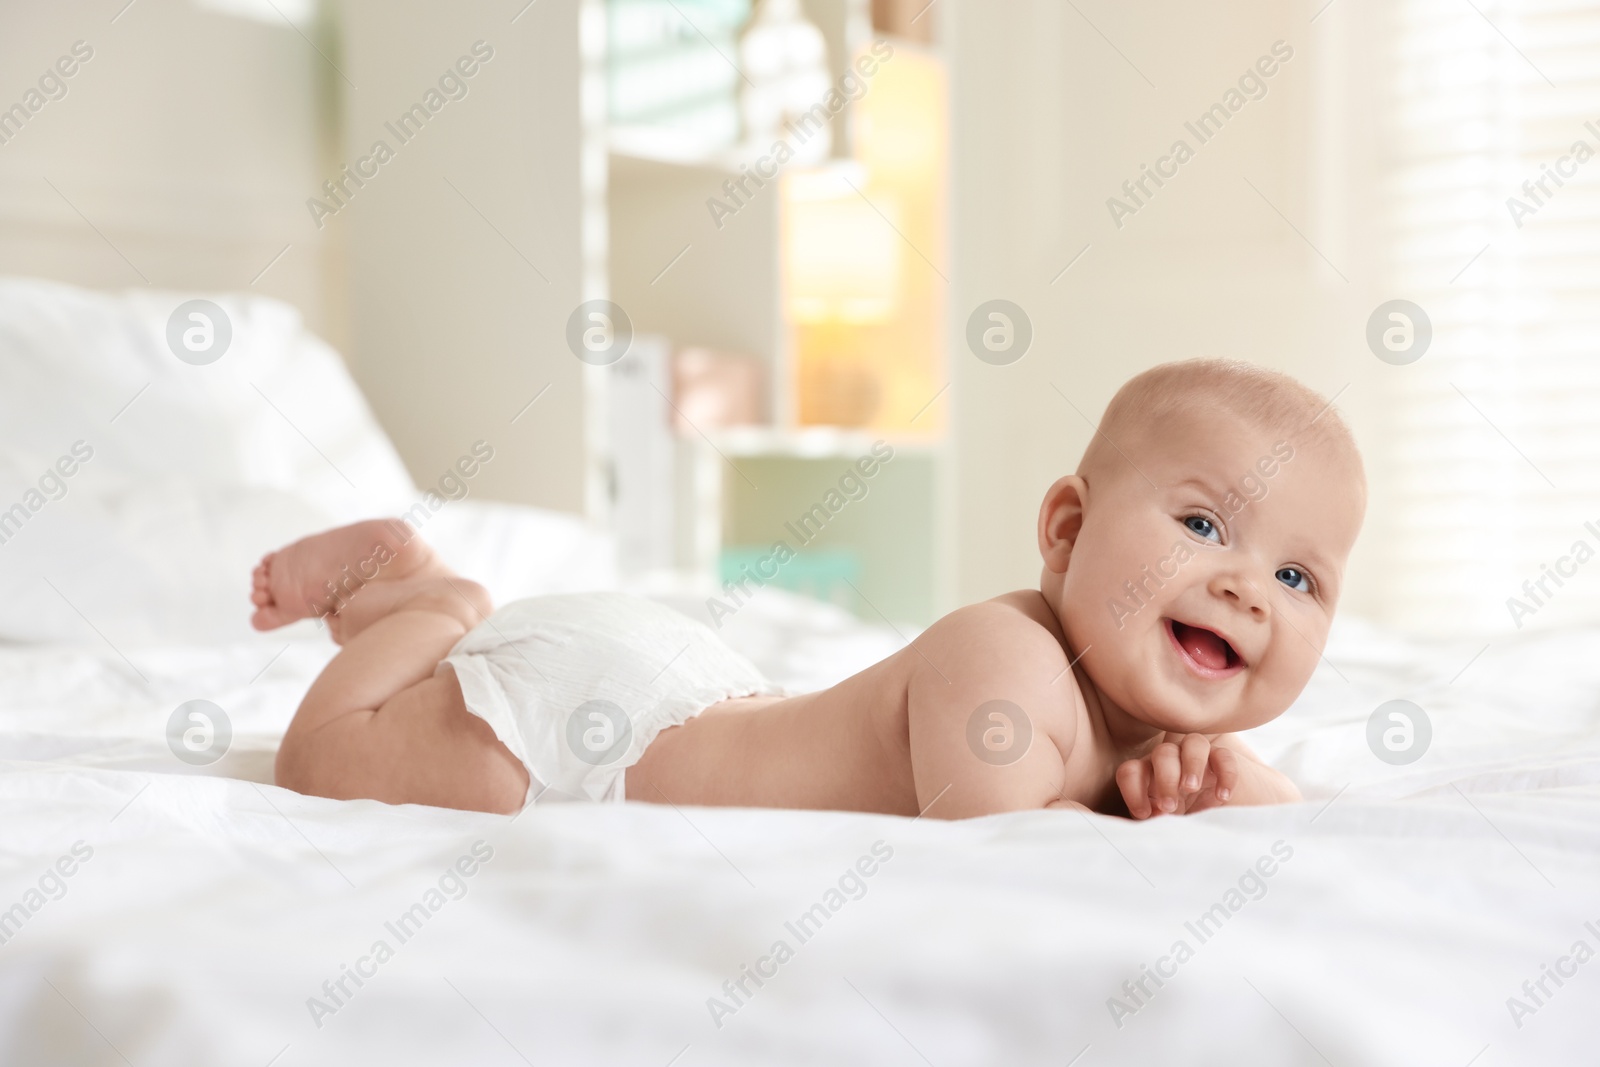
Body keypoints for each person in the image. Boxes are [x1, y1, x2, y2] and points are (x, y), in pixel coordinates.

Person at [261, 359, 1365, 820]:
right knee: (325, 760)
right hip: (595, 734)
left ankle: (434, 612)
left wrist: (1231, 791)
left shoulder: (1141, 743)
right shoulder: (1007, 663)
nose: (1245, 587)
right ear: (1067, 529)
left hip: (694, 686)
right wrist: (1212, 811)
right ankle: (429, 602)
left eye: (1296, 574)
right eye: (1203, 523)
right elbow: (1011, 858)